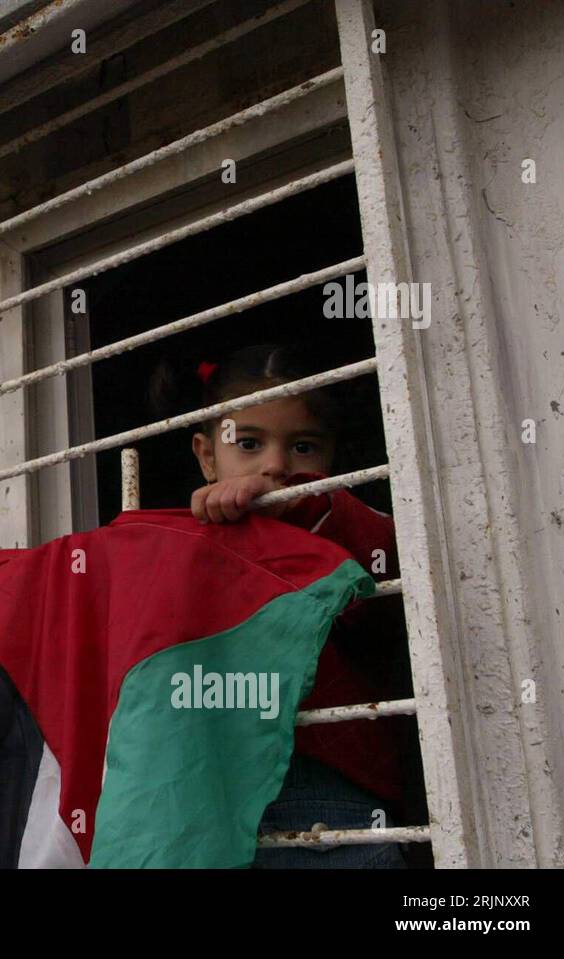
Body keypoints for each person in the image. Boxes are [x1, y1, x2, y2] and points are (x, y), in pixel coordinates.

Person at [165, 342, 418, 868]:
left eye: (303, 448)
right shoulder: (185, 543)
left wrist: (307, 501)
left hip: (331, 791)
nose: (277, 465)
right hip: (209, 801)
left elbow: (386, 585)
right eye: (249, 443)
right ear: (207, 456)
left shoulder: (344, 518)